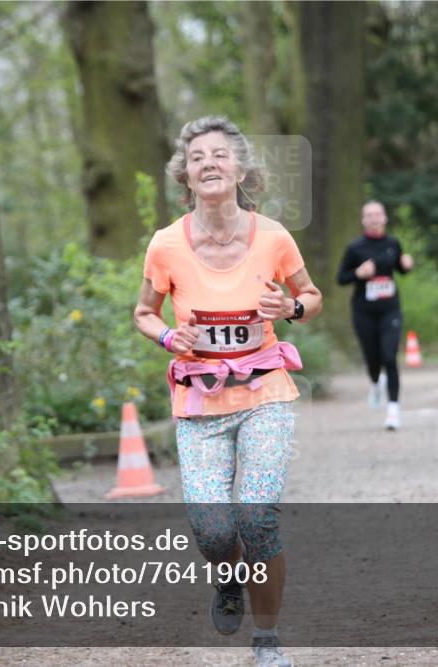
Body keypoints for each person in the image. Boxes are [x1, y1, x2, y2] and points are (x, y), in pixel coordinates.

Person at [133, 116, 322, 667]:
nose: (209, 163)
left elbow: (311, 297)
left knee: (257, 516)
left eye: (219, 154)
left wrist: (289, 307)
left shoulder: (274, 237)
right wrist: (169, 336)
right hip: (200, 403)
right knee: (214, 530)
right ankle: (227, 575)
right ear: (185, 176)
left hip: (265, 393)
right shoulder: (166, 244)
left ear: (240, 170)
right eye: (197, 157)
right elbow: (144, 312)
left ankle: (267, 641)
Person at [337, 201, 413, 430]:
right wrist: (358, 273)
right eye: (369, 215)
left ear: (385, 218)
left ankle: (393, 411)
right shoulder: (355, 248)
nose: (374, 218)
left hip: (390, 309)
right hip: (364, 311)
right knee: (372, 359)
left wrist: (406, 265)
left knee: (389, 356)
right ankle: (375, 382)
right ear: (363, 220)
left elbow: (401, 269)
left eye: (378, 214)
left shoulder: (393, 243)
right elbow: (341, 278)